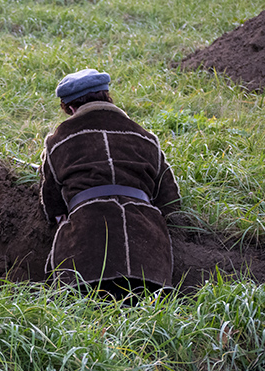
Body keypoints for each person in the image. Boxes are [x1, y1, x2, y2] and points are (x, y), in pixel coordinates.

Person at [39, 69, 181, 301]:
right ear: (107, 96)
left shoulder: (57, 141)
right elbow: (171, 202)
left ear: (69, 108)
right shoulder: (146, 138)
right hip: (149, 262)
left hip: (86, 262)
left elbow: (51, 207)